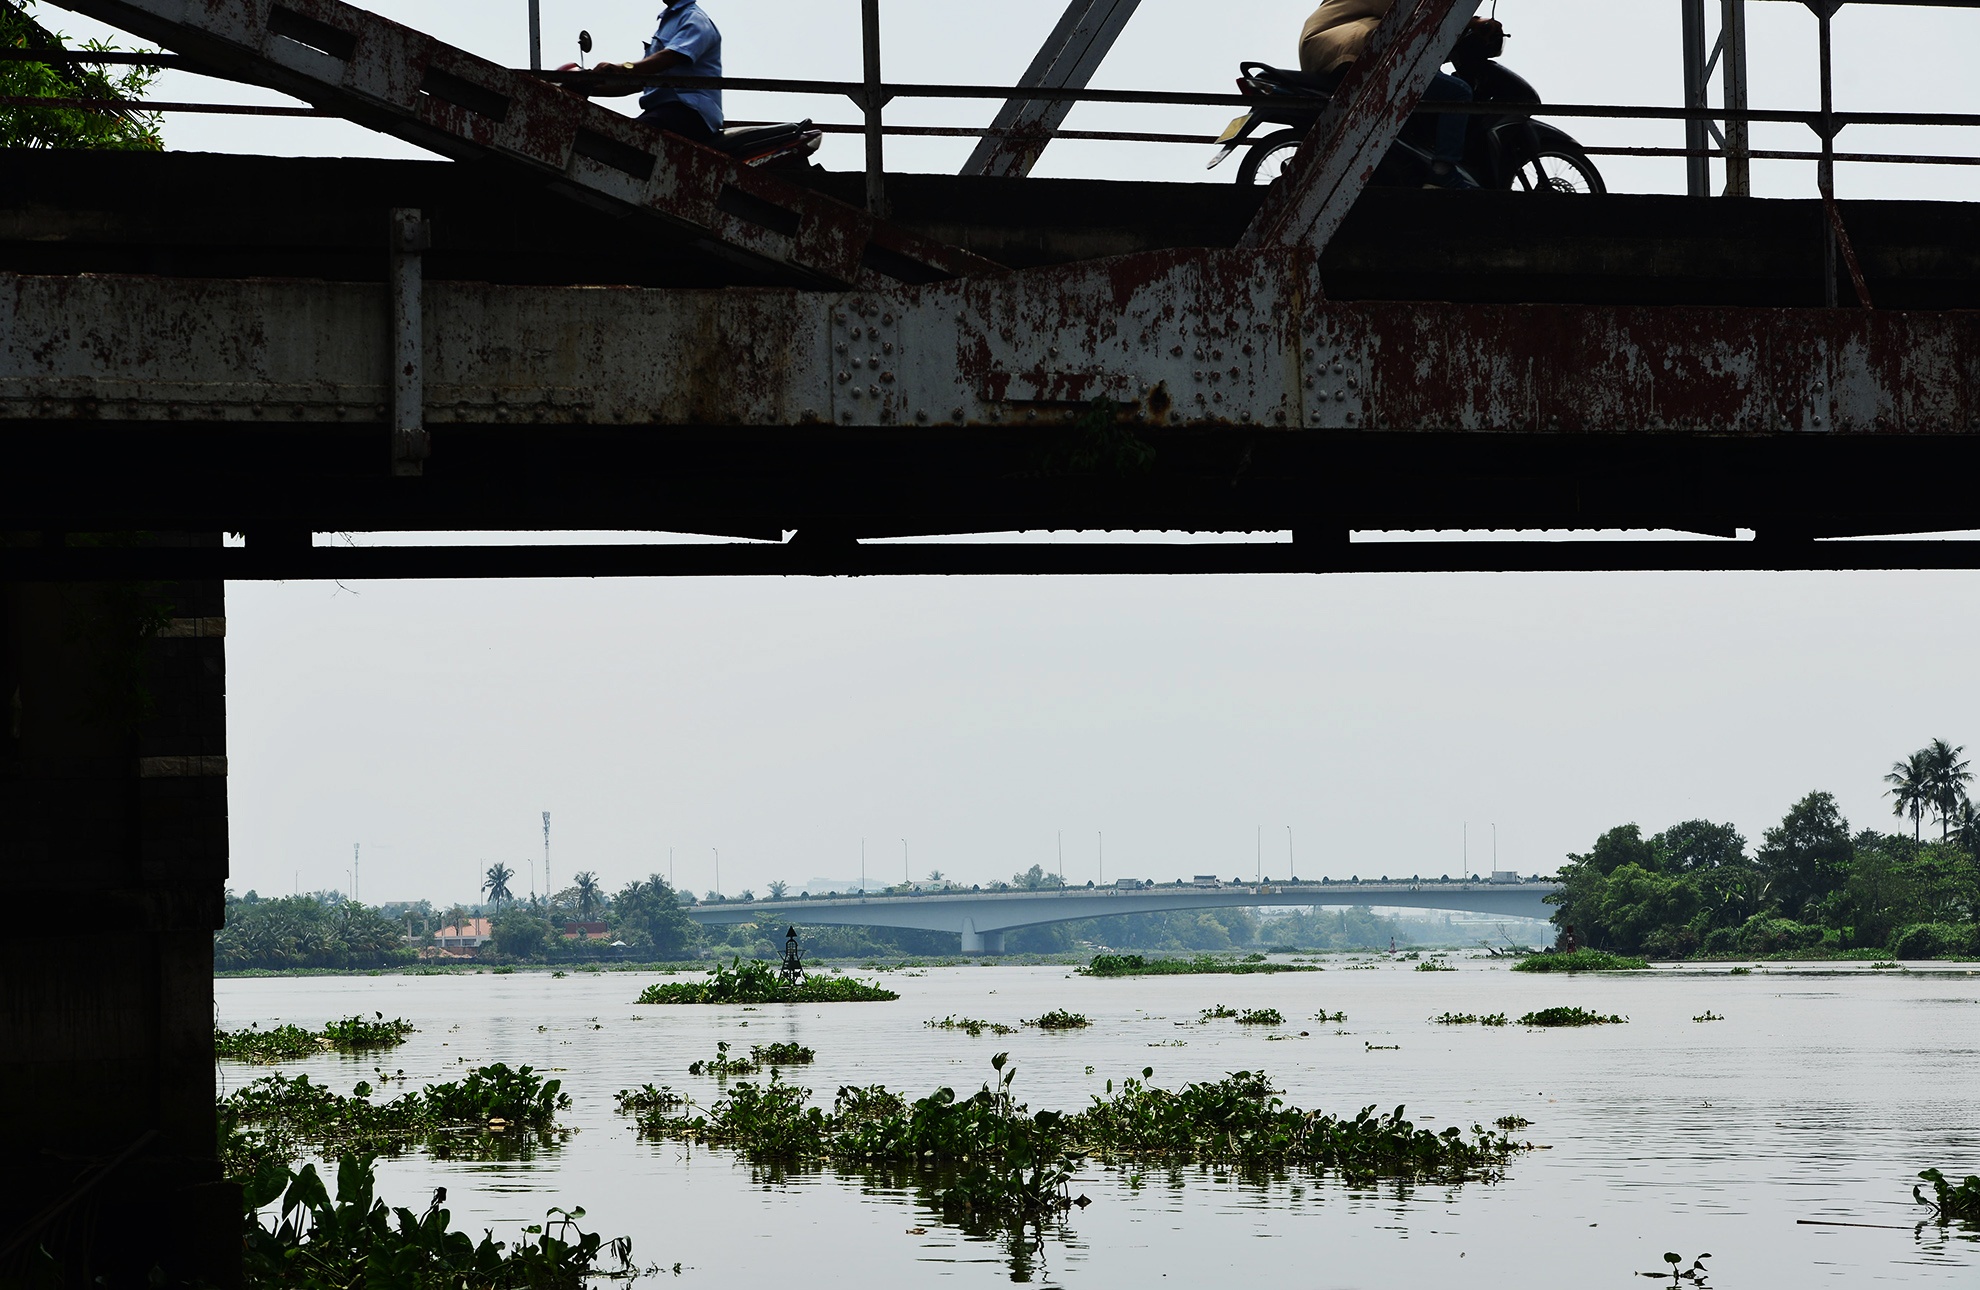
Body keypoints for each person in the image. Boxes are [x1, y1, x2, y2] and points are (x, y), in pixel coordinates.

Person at [1299, 0, 1476, 188]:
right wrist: (1473, 22)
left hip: (1324, 54)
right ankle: (1443, 172)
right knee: (1458, 92)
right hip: (1351, 48)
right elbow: (1416, 12)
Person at [592, 0, 724, 145]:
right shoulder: (669, 21)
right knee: (607, 133)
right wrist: (589, 87)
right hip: (663, 112)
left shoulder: (696, 19)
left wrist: (622, 68)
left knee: (624, 139)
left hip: (690, 112)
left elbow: (670, 57)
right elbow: (638, 81)